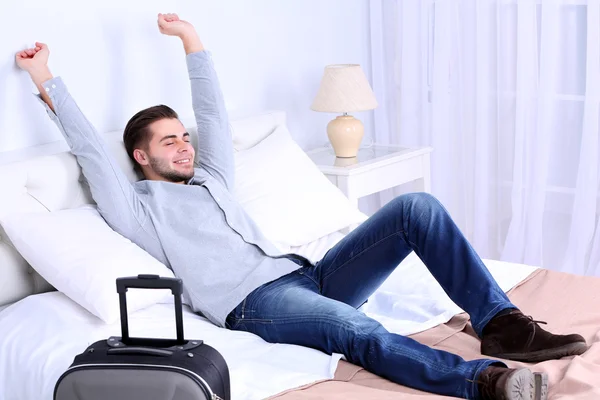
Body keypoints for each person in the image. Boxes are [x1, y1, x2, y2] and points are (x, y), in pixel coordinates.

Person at [15, 13, 587, 400]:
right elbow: (89, 150)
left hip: (306, 274)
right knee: (359, 330)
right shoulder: (136, 207)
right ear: (140, 157)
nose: (185, 144)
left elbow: (212, 115)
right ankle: (483, 382)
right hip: (256, 305)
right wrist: (47, 80)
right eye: (169, 141)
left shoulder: (211, 175)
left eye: (182, 137)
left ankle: (500, 323)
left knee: (417, 206)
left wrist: (192, 41)